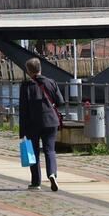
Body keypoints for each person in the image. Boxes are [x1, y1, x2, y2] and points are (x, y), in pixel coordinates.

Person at [18, 57, 64, 191]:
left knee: (34, 152)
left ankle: (36, 182)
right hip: (51, 121)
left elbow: (23, 109)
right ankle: (52, 174)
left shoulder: (26, 86)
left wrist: (22, 131)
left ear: (28, 71)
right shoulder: (51, 82)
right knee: (50, 150)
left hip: (33, 123)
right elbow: (60, 102)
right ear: (40, 68)